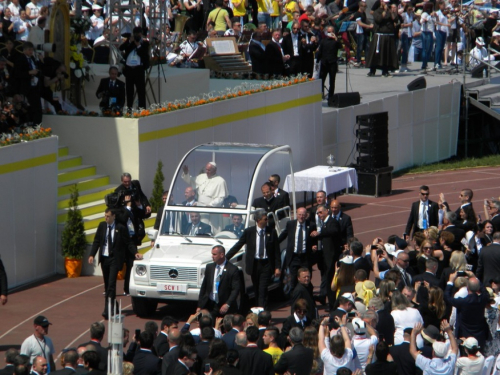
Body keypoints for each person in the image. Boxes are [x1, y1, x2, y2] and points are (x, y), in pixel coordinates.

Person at [88, 209, 143, 319]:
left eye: (108, 216)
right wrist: (92, 255)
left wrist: (135, 253)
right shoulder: (102, 226)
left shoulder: (120, 228)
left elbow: (128, 243)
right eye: (105, 216)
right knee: (107, 285)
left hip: (114, 259)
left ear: (113, 216)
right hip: (104, 259)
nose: (106, 218)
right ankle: (115, 304)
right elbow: (97, 241)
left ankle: (107, 309)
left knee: (112, 284)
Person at [226, 209, 281, 308]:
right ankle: (259, 308)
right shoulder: (249, 232)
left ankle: (261, 310)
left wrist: (277, 267)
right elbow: (238, 245)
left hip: (267, 264)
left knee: (262, 288)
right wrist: (226, 258)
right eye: (265, 219)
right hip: (254, 264)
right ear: (258, 220)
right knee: (256, 289)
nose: (267, 220)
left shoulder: (271, 232)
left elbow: (276, 251)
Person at [444, 271, 490, 351]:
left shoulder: (463, 302)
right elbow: (485, 292)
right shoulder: (482, 299)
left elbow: (447, 297)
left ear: (467, 287)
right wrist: (474, 277)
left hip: (465, 336)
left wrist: (450, 282)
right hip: (480, 335)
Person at [310, 205, 341, 309]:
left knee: (330, 280)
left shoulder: (332, 222)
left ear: (326, 211)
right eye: (318, 213)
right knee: (326, 279)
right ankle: (330, 302)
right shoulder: (323, 223)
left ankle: (332, 304)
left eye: (320, 212)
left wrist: (320, 233)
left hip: (331, 257)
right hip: (323, 256)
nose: (319, 215)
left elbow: (334, 231)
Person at [198, 245, 240, 320]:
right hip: (211, 305)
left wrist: (227, 304)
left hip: (224, 306)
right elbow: (204, 287)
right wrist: (200, 306)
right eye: (212, 254)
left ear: (222, 255)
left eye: (214, 254)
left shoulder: (233, 269)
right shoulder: (209, 267)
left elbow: (235, 289)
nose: (212, 256)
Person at [278, 207, 316, 289]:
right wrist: (274, 243)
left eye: (303, 215)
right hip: (294, 257)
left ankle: (306, 298)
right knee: (293, 280)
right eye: (299, 215)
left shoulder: (311, 225)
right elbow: (283, 235)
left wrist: (314, 245)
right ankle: (295, 299)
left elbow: (314, 239)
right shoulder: (290, 224)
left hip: (305, 257)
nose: (301, 217)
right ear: (296, 215)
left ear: (306, 215)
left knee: (306, 279)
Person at [119, 27, 150, 110]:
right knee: (129, 90)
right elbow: (121, 48)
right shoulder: (130, 42)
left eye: (139, 34)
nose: (137, 36)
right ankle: (129, 108)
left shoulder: (144, 43)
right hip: (129, 69)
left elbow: (144, 56)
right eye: (136, 34)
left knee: (141, 90)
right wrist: (130, 41)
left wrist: (138, 45)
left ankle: (142, 109)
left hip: (138, 69)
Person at [366, 0, 398, 77]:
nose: (387, 4)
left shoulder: (390, 11)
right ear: (381, 2)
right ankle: (372, 70)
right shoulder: (377, 11)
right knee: (376, 54)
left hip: (389, 35)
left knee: (387, 54)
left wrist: (391, 12)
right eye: (385, 2)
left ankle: (385, 70)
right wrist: (384, 11)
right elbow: (378, 20)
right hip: (380, 35)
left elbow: (395, 20)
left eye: (387, 3)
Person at [13, 42, 42, 124]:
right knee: (29, 108)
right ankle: (32, 125)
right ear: (24, 50)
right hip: (26, 88)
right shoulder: (20, 59)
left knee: (37, 109)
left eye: (32, 50)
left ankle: (36, 125)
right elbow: (17, 74)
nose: (31, 52)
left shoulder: (32, 58)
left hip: (34, 86)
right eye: (29, 50)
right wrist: (29, 73)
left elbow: (37, 69)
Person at [316, 26, 342, 103]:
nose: (330, 33)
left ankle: (331, 96)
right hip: (324, 63)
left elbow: (340, 47)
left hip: (332, 63)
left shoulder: (336, 41)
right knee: (321, 80)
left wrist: (336, 38)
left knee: (332, 81)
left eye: (331, 32)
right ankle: (321, 94)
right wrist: (317, 62)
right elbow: (320, 52)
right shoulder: (323, 41)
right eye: (328, 32)